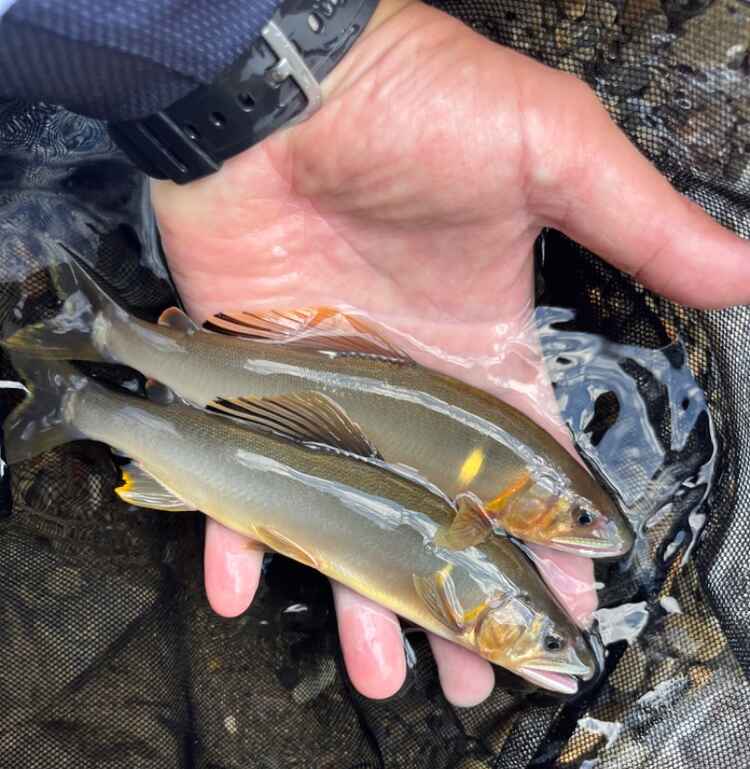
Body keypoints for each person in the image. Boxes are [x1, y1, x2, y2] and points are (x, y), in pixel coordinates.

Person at [1, 0, 748, 706]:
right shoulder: (475, 520)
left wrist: (258, 47)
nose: (592, 535)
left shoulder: (473, 520)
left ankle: (96, 377)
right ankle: (99, 368)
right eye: (579, 517)